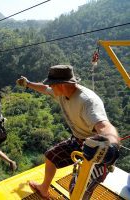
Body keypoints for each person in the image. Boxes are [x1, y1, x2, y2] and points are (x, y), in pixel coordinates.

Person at [16, 65, 120, 199]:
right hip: (78, 140)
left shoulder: (87, 101)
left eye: (52, 84)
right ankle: (43, 188)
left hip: (96, 151)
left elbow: (104, 126)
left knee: (77, 191)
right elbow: (44, 88)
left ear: (61, 84)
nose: (50, 87)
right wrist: (28, 84)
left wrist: (111, 146)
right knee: (51, 157)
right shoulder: (62, 92)